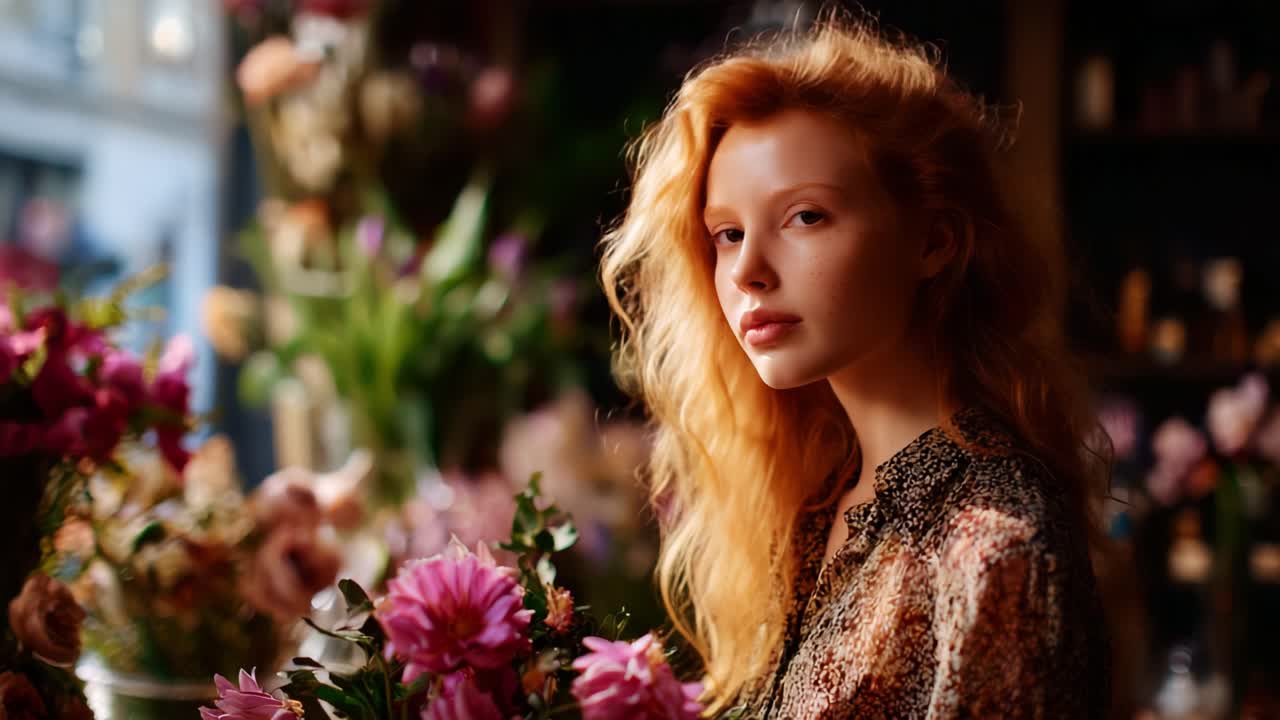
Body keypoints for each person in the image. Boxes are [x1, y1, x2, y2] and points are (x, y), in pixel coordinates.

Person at [599, 14, 1111, 719]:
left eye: (805, 217)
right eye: (728, 233)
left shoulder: (994, 548)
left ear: (933, 241)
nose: (747, 270)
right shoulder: (816, 500)